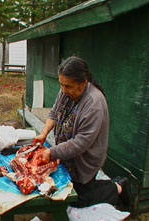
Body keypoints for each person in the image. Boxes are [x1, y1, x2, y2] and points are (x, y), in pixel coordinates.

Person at [33, 56, 130, 208]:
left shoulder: (94, 103)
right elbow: (53, 112)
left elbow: (81, 143)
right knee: (62, 191)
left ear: (84, 82)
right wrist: (44, 133)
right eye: (61, 85)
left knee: (76, 199)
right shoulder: (65, 90)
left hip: (84, 160)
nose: (64, 90)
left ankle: (118, 187)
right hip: (67, 155)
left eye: (68, 86)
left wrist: (51, 153)